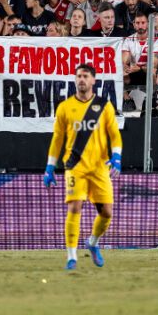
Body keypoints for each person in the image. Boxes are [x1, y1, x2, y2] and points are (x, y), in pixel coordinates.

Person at [44, 64, 123, 270]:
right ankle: (71, 256)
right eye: (78, 76)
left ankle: (93, 243)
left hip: (99, 167)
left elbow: (115, 135)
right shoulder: (64, 107)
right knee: (74, 207)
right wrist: (49, 167)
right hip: (75, 166)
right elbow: (57, 139)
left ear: (93, 80)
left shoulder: (104, 106)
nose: (81, 80)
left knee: (106, 212)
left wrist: (116, 157)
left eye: (85, 76)